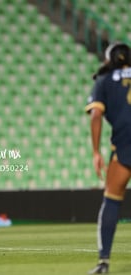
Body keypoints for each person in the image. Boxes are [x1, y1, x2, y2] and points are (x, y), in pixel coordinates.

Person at [85, 42, 131, 274]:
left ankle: (103, 262)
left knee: (112, 200)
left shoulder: (103, 79)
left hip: (123, 146)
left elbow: (95, 115)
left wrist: (96, 152)